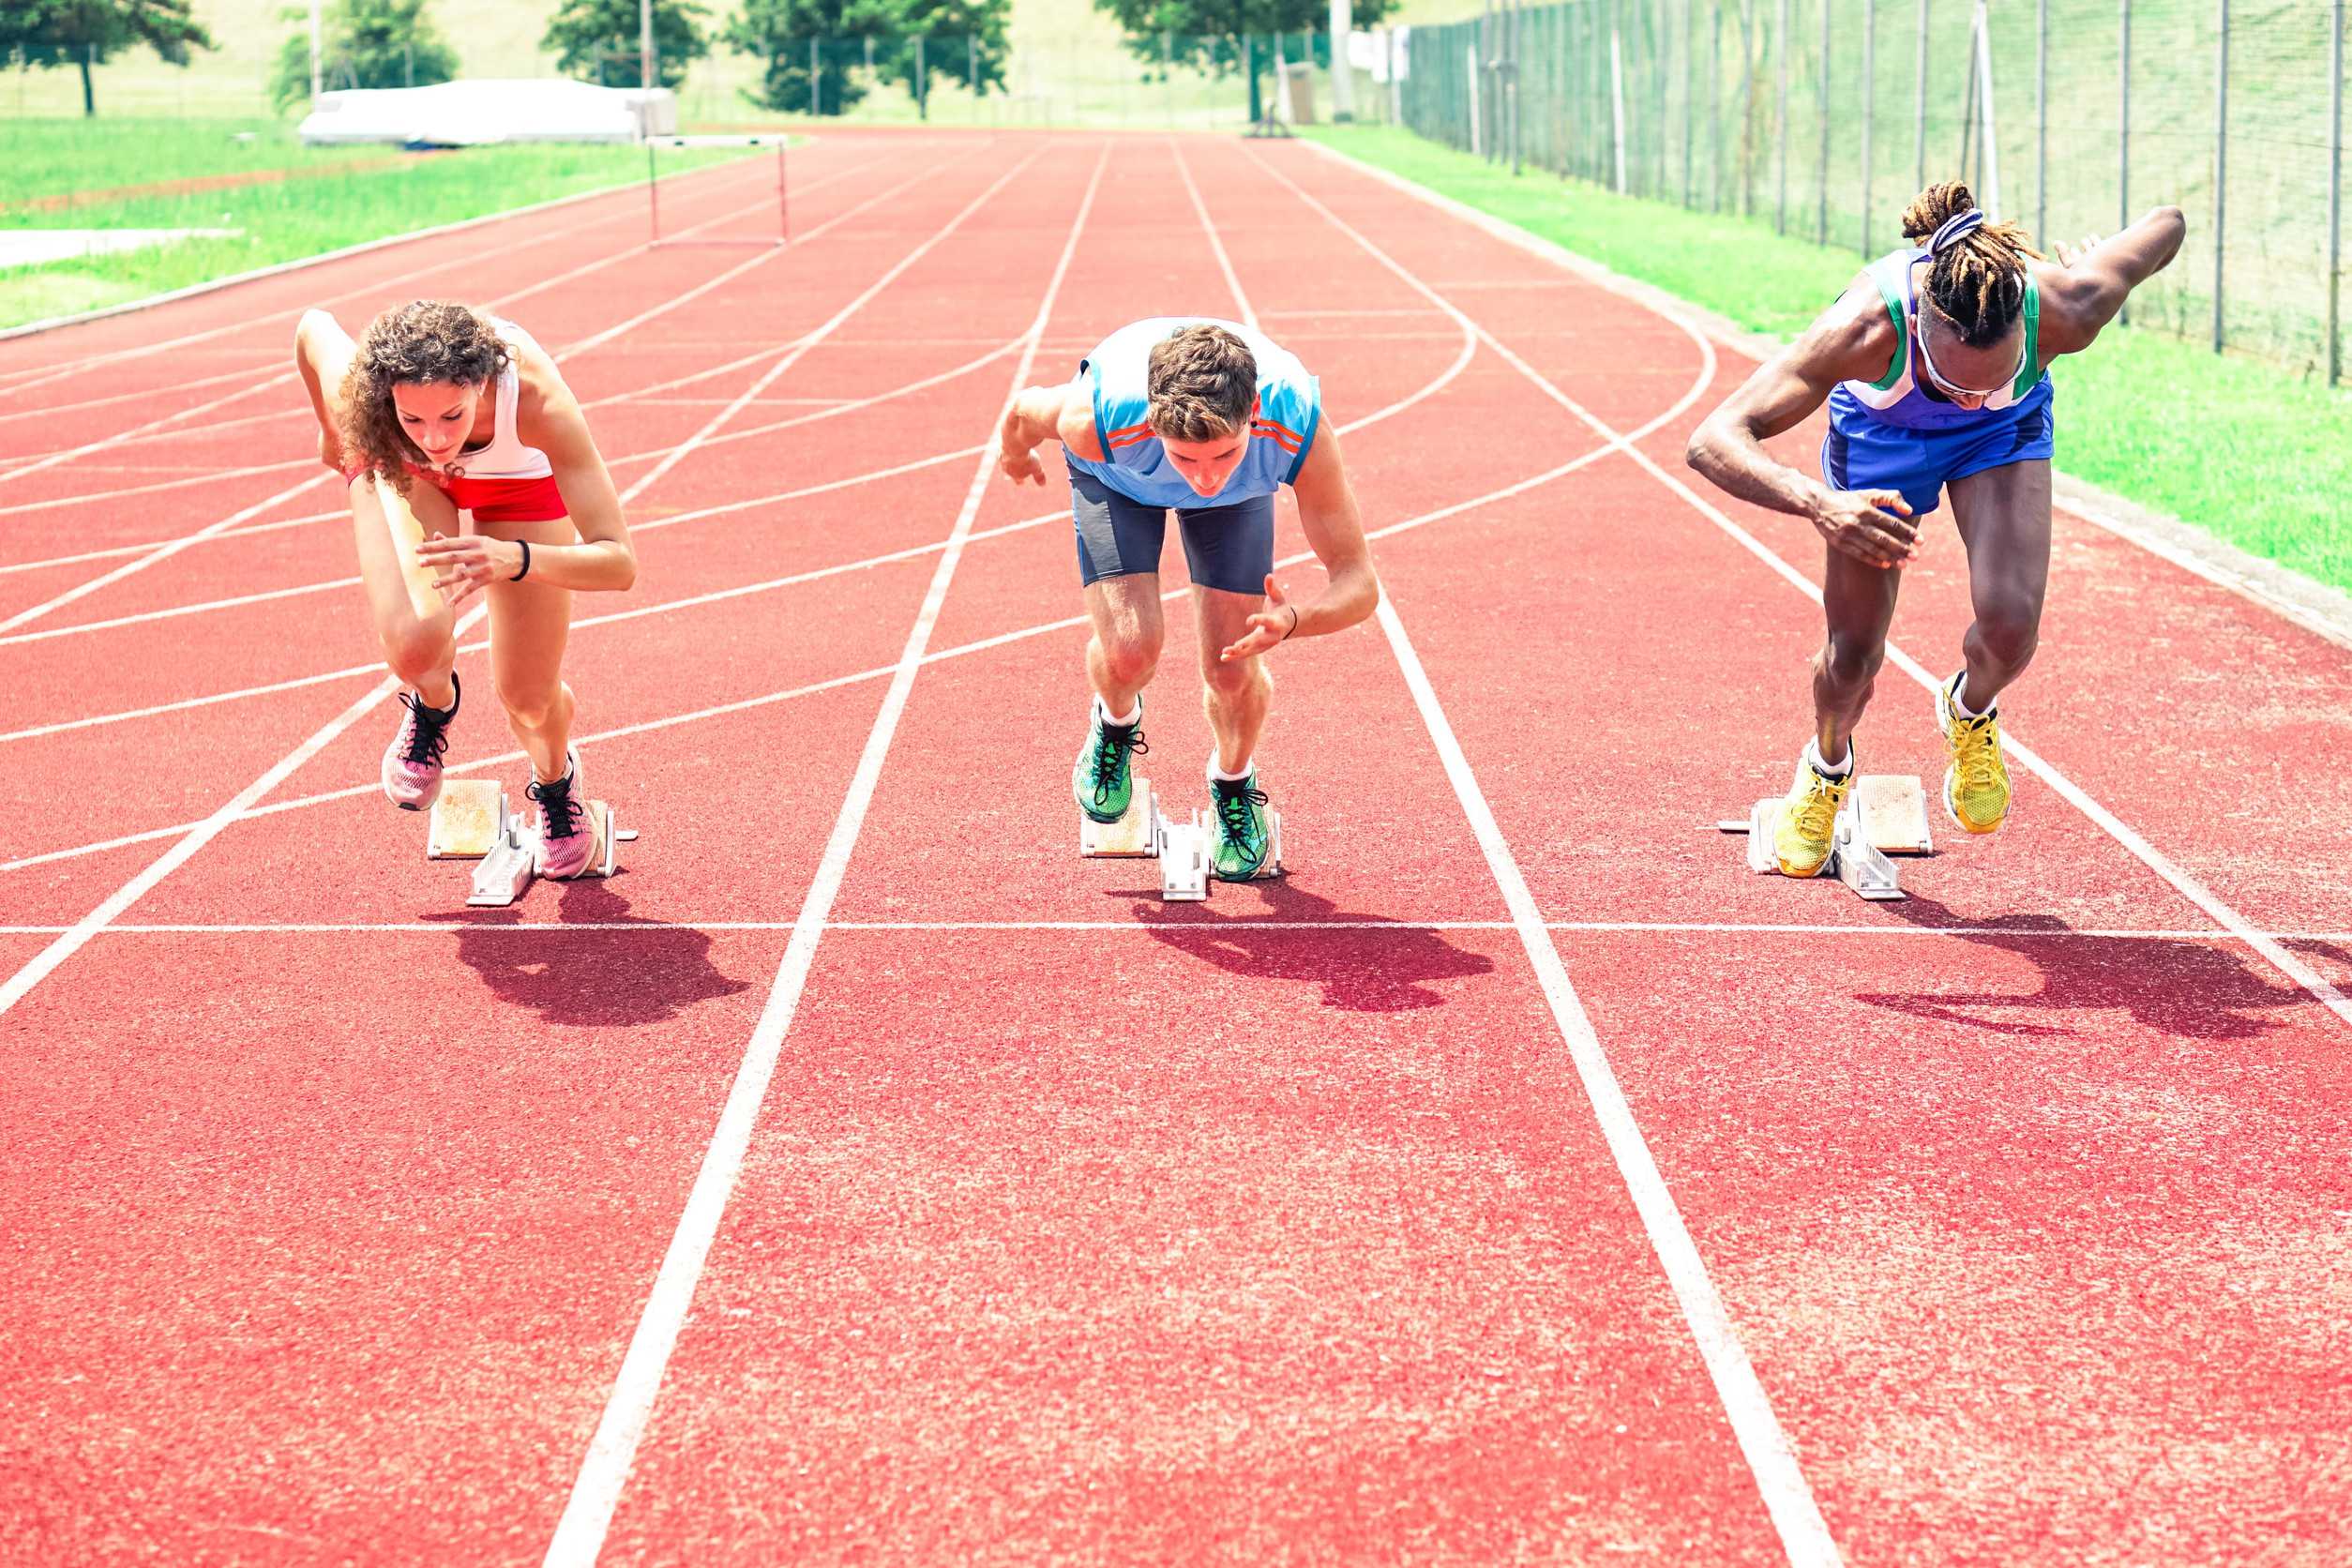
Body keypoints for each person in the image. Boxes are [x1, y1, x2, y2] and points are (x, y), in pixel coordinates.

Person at [1685, 183, 2184, 878]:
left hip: (2001, 440)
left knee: (2011, 626)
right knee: (1853, 657)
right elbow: (1714, 436)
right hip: (1884, 441)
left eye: (1994, 377)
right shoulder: (1866, 328)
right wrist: (1818, 503)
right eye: (1957, 386)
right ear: (1923, 328)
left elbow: (2168, 223)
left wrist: (2100, 257)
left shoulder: (2068, 305)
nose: (1972, 395)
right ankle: (1826, 766)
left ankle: (1970, 712)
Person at [995, 319, 1380, 881]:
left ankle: (1232, 783)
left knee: (1231, 666)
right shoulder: (1095, 419)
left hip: (1240, 502)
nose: (1203, 479)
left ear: (1253, 416)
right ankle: (1115, 724)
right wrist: (1014, 455)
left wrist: (1295, 620)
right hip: (1117, 480)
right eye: (1185, 458)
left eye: (1223, 455)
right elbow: (1025, 411)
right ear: (1153, 424)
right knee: (1130, 649)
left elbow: (1358, 581)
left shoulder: (1296, 424)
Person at [294, 300, 638, 880]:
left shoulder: (534, 401)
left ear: (480, 385)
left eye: (452, 417)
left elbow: (619, 562)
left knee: (528, 697)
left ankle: (555, 781)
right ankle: (434, 706)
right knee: (414, 643)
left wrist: (515, 558)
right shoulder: (368, 389)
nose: (433, 436)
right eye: (414, 420)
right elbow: (312, 330)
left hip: (518, 490)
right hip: (422, 485)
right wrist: (333, 435)